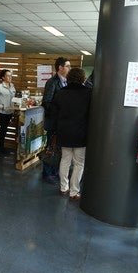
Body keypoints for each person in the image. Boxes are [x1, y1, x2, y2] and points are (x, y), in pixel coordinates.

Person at [52, 68, 91, 200]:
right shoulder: (89, 93)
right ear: (82, 78)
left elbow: (53, 113)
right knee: (79, 163)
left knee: (65, 160)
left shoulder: (61, 93)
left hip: (64, 131)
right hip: (81, 132)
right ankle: (74, 191)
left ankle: (63, 187)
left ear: (69, 77)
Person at [41, 57, 71, 184]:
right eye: (68, 66)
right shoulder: (52, 82)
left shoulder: (66, 82)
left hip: (61, 123)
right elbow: (46, 102)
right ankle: (47, 173)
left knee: (58, 149)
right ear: (60, 67)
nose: (70, 68)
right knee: (50, 148)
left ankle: (54, 171)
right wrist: (59, 111)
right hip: (53, 122)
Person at [0, 69, 16, 155]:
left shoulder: (12, 86)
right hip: (1, 113)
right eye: (8, 76)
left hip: (9, 112)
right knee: (3, 129)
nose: (10, 77)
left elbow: (14, 98)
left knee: (4, 130)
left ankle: (1, 148)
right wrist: (2, 107)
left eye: (11, 76)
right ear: (3, 77)